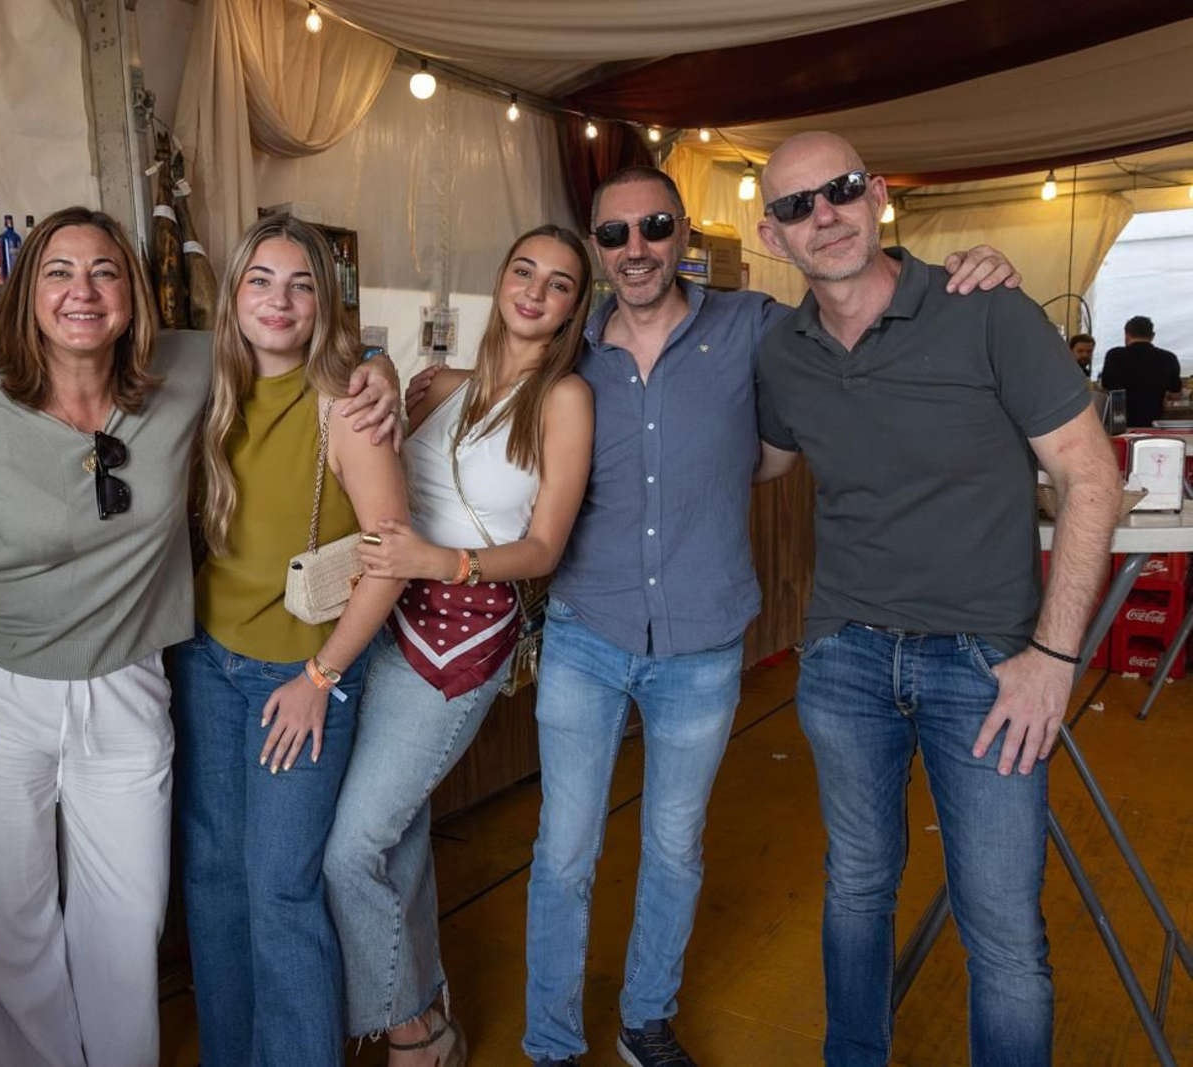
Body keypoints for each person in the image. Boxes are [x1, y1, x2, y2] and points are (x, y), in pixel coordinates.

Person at [404, 166, 1020, 1067]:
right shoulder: (573, 351)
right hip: (586, 632)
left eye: (653, 226)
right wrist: (441, 373)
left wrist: (961, 272)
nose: (635, 248)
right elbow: (507, 366)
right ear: (598, 249)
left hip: (702, 641)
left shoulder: (754, 325)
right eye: (613, 235)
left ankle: (645, 1021)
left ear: (682, 232)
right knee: (563, 852)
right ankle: (551, 1042)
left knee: (673, 848)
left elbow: (855, 299)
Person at [754, 131, 1120, 1066]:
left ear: (875, 193)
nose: (820, 217)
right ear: (772, 234)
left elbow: (1092, 476)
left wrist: (1054, 656)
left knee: (1001, 930)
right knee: (858, 890)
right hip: (844, 658)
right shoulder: (782, 354)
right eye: (794, 207)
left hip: (987, 667)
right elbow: (762, 460)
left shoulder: (984, 307)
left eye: (836, 191)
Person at [0, 207, 203, 1066]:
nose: (82, 291)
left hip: (128, 686)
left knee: (127, 927)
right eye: (58, 271)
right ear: (25, 293)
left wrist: (423, 377)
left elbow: (302, 345)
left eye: (104, 271)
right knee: (11, 934)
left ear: (133, 293)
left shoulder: (190, 372)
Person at [323, 225, 597, 1064]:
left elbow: (546, 547)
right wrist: (375, 369)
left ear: (571, 308)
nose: (535, 291)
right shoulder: (439, 381)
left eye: (557, 284)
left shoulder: (564, 400)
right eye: (524, 270)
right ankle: (427, 996)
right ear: (501, 276)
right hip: (380, 613)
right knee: (397, 835)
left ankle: (412, 1031)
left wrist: (440, 560)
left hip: (461, 638)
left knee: (350, 850)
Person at [171, 213, 410, 1066]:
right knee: (212, 885)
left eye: (302, 284)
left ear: (326, 302)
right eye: (262, 281)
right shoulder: (208, 386)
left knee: (279, 889)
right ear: (234, 294)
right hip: (204, 662)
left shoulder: (348, 404)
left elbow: (391, 557)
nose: (280, 300)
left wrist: (321, 673)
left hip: (298, 673)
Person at [1100, 315, 1183, 426]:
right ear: (1152, 336)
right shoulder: (1169, 358)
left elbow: (1104, 388)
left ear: (1127, 334)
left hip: (1119, 423)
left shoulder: (1114, 355)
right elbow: (1176, 395)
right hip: (1152, 422)